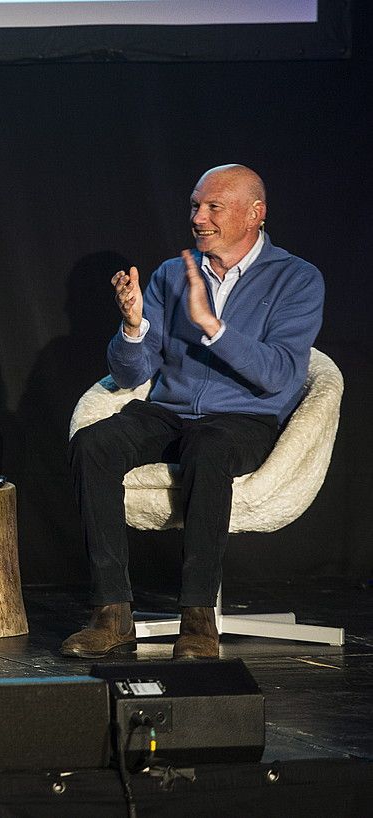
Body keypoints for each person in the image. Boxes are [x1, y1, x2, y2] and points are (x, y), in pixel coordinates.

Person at [62, 164, 324, 660]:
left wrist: (213, 325)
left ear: (256, 213)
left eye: (213, 207)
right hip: (169, 411)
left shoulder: (297, 279)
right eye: (194, 206)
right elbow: (129, 376)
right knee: (93, 443)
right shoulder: (170, 274)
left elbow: (283, 375)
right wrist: (134, 326)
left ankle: (198, 619)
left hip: (244, 419)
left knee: (209, 447)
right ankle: (111, 613)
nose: (198, 218)